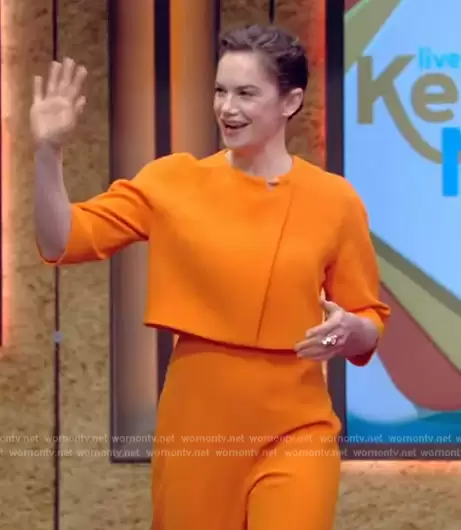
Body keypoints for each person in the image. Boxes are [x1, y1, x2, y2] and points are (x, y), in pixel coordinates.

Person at [31, 23, 390, 530]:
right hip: (198, 423)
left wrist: (354, 329)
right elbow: (61, 240)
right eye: (221, 91)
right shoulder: (173, 181)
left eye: (246, 93)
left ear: (290, 102)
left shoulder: (335, 201)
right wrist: (49, 152)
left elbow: (369, 317)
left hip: (297, 424)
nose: (227, 107)